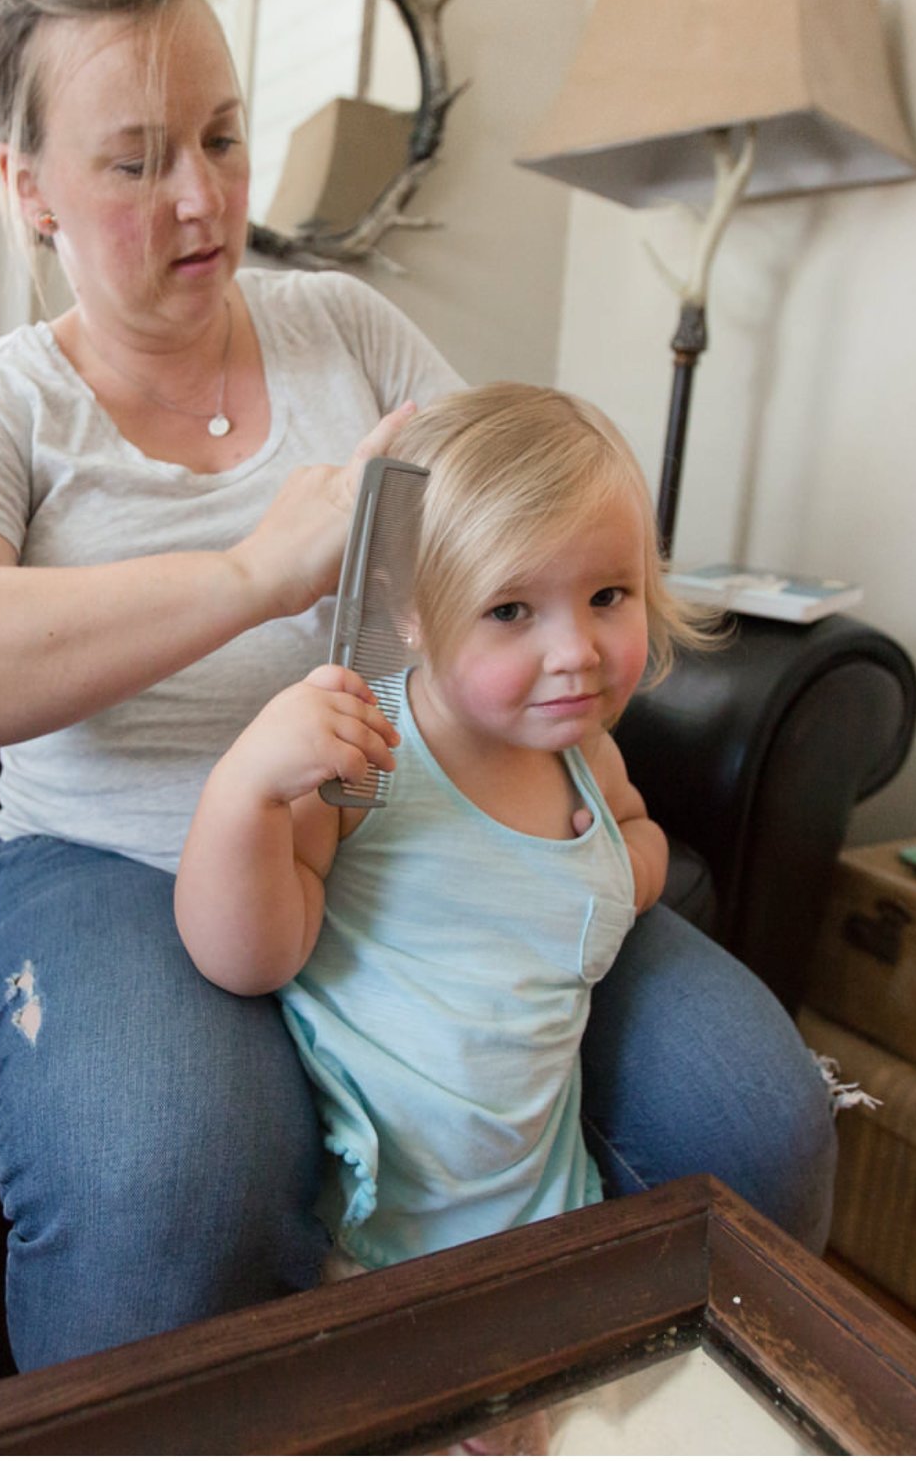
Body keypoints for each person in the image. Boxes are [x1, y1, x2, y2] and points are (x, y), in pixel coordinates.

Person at [0, 0, 837, 1374]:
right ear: (26, 186)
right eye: (134, 159)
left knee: (760, 1116)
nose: (201, 200)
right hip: (125, 865)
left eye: (223, 138)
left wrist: (590, 743)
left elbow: (526, 536)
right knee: (177, 1183)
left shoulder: (346, 332)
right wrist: (245, 571)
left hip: (425, 837)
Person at [175, 382, 713, 1276]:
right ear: (412, 614)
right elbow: (249, 956)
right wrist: (245, 794)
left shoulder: (588, 758)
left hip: (546, 1209)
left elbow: (630, 836)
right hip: (375, 1234)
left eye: (609, 596)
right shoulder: (365, 752)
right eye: (511, 611)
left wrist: (627, 871)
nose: (576, 650)